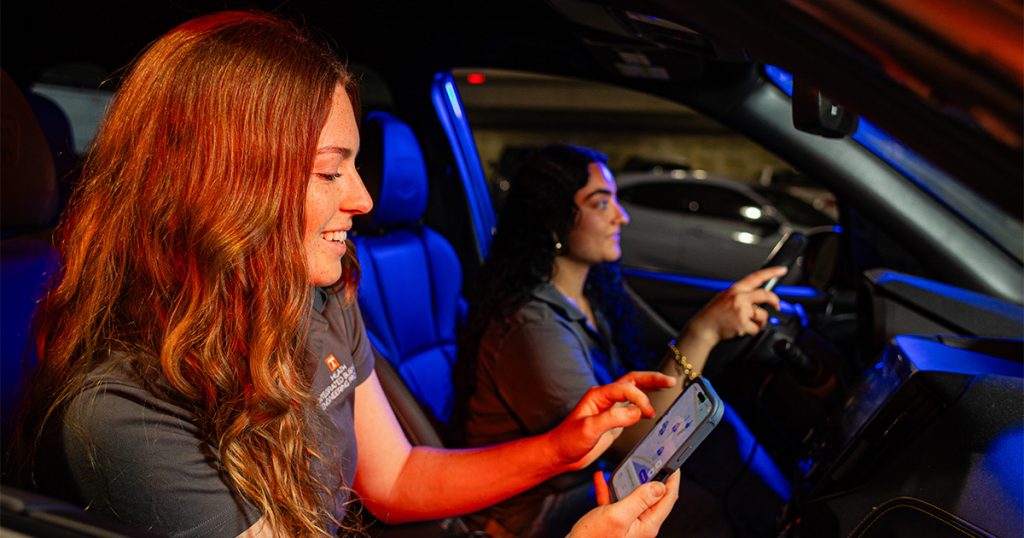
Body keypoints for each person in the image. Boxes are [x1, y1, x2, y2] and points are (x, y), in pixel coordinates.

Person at [11, 12, 683, 538]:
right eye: (329, 170)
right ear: (225, 187)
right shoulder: (125, 413)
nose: (363, 199)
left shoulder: (321, 295)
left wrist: (559, 449)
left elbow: (395, 478)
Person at [453, 145, 787, 537]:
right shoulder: (530, 326)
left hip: (591, 478)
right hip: (533, 513)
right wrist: (704, 331)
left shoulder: (593, 291)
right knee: (699, 505)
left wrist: (715, 324)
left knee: (721, 435)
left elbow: (662, 356)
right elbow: (627, 448)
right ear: (555, 219)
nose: (621, 216)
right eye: (600, 203)